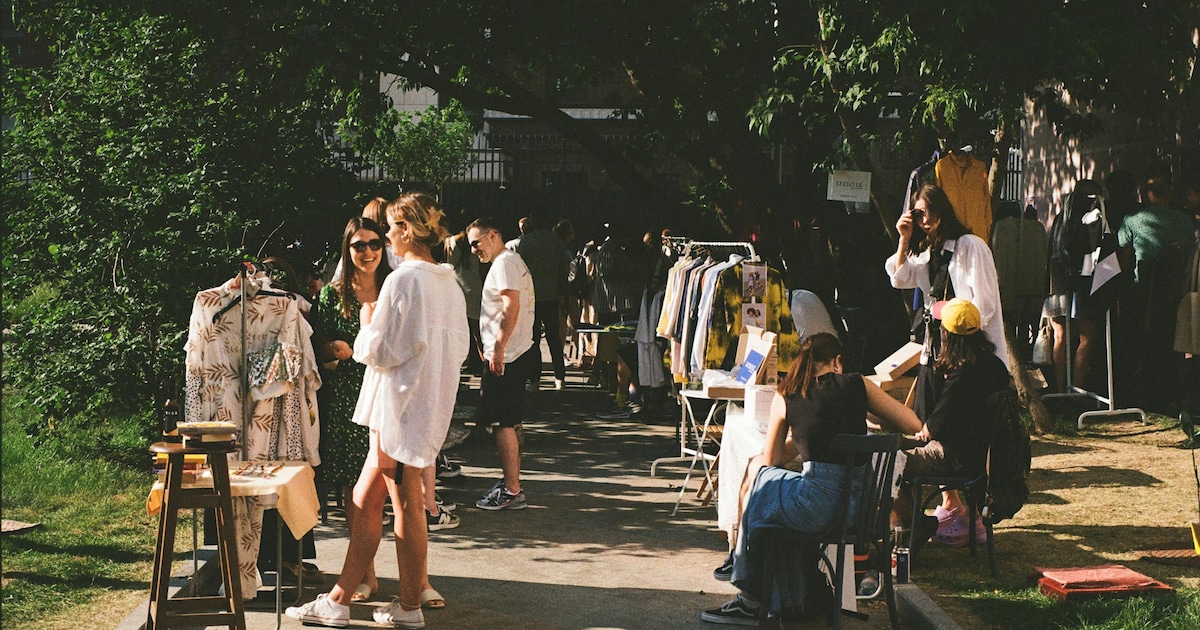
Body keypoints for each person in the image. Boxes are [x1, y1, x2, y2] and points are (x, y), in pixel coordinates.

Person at [287, 193, 469, 629]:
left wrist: (367, 324)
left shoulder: (405, 280)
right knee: (364, 499)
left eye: (390, 227)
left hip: (399, 406)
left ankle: (409, 607)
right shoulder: (447, 281)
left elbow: (382, 347)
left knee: (404, 503)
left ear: (407, 229)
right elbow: (457, 347)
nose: (386, 236)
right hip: (416, 404)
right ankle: (338, 601)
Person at [701, 333, 921, 625]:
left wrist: (801, 435)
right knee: (768, 492)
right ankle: (778, 590)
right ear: (837, 362)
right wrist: (869, 416)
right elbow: (912, 423)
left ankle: (746, 582)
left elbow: (773, 459)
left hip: (817, 509)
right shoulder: (858, 384)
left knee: (762, 477)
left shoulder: (788, 393)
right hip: (860, 511)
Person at [311, 217, 397, 602]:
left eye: (375, 243)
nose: (368, 252)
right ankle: (366, 573)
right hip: (349, 397)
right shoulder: (333, 295)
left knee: (398, 487)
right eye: (358, 245)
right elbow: (319, 344)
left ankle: (418, 578)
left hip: (392, 393)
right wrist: (335, 350)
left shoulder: (396, 286)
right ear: (346, 250)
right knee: (355, 488)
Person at [893, 298, 1010, 549]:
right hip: (985, 458)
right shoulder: (996, 366)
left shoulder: (961, 376)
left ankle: (913, 526)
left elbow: (932, 428)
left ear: (946, 334)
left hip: (953, 457)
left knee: (887, 462)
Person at [885, 182, 1007, 420]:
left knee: (958, 420)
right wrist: (903, 239)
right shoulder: (927, 252)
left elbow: (986, 304)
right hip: (936, 349)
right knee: (927, 415)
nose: (927, 219)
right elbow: (899, 278)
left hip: (968, 350)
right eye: (919, 214)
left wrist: (960, 335)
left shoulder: (970, 245)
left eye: (932, 210)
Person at [466, 217, 538, 511]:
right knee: (508, 420)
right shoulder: (507, 261)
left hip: (508, 356)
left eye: (476, 243)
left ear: (492, 235)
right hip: (512, 353)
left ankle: (511, 489)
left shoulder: (505, 263)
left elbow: (511, 306)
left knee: (503, 423)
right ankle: (512, 483)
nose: (473, 250)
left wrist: (497, 348)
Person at [516, 212, 572, 390]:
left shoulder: (525, 242)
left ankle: (534, 378)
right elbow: (564, 271)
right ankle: (559, 377)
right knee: (554, 338)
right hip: (551, 295)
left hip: (531, 296)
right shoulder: (557, 243)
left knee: (533, 339)